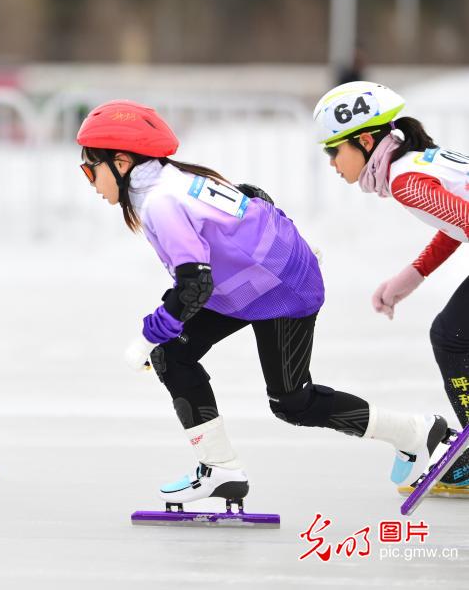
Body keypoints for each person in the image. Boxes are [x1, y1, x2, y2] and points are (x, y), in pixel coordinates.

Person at [77, 99, 447, 506]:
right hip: (250, 283)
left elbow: (193, 285)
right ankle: (220, 469)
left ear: (123, 163)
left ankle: (414, 431)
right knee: (172, 354)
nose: (89, 181)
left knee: (292, 402)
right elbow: (252, 198)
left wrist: (147, 335)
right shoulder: (174, 178)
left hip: (283, 290)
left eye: (89, 169)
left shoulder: (162, 201)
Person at [314, 80, 469, 491]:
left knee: (450, 337)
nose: (331, 163)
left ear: (365, 140)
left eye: (334, 150)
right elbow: (456, 224)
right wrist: (409, 278)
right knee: (452, 334)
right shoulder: (412, 165)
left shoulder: (405, 178)